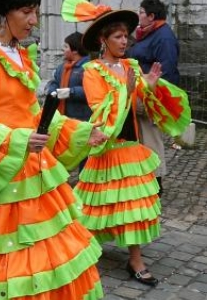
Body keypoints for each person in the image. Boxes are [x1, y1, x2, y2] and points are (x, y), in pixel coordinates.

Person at [0, 0, 108, 299]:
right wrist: (17, 140)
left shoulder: (18, 55)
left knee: (53, 254)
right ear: (4, 13)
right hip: (10, 179)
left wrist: (81, 131)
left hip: (37, 173)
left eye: (36, 13)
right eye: (26, 12)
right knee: (10, 261)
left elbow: (33, 115)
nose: (34, 21)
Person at [62, 0, 191, 287]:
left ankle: (135, 259)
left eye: (125, 36)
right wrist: (127, 89)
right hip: (107, 144)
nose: (124, 41)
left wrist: (151, 85)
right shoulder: (93, 70)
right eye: (118, 37)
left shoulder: (131, 65)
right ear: (103, 40)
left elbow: (142, 103)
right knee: (96, 204)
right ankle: (83, 250)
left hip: (131, 145)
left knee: (132, 203)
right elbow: (99, 109)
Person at [126, 0, 180, 196]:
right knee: (142, 138)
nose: (138, 15)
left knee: (152, 140)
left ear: (151, 16)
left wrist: (155, 100)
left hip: (151, 96)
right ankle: (145, 179)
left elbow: (167, 71)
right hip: (141, 92)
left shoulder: (163, 37)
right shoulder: (147, 33)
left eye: (141, 12)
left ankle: (156, 184)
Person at [45, 31, 92, 172]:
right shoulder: (62, 67)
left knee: (85, 152)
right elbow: (54, 82)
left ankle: (85, 182)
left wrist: (70, 92)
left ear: (75, 50)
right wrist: (53, 90)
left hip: (83, 118)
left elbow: (90, 90)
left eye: (65, 47)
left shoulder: (88, 67)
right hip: (64, 118)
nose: (62, 50)